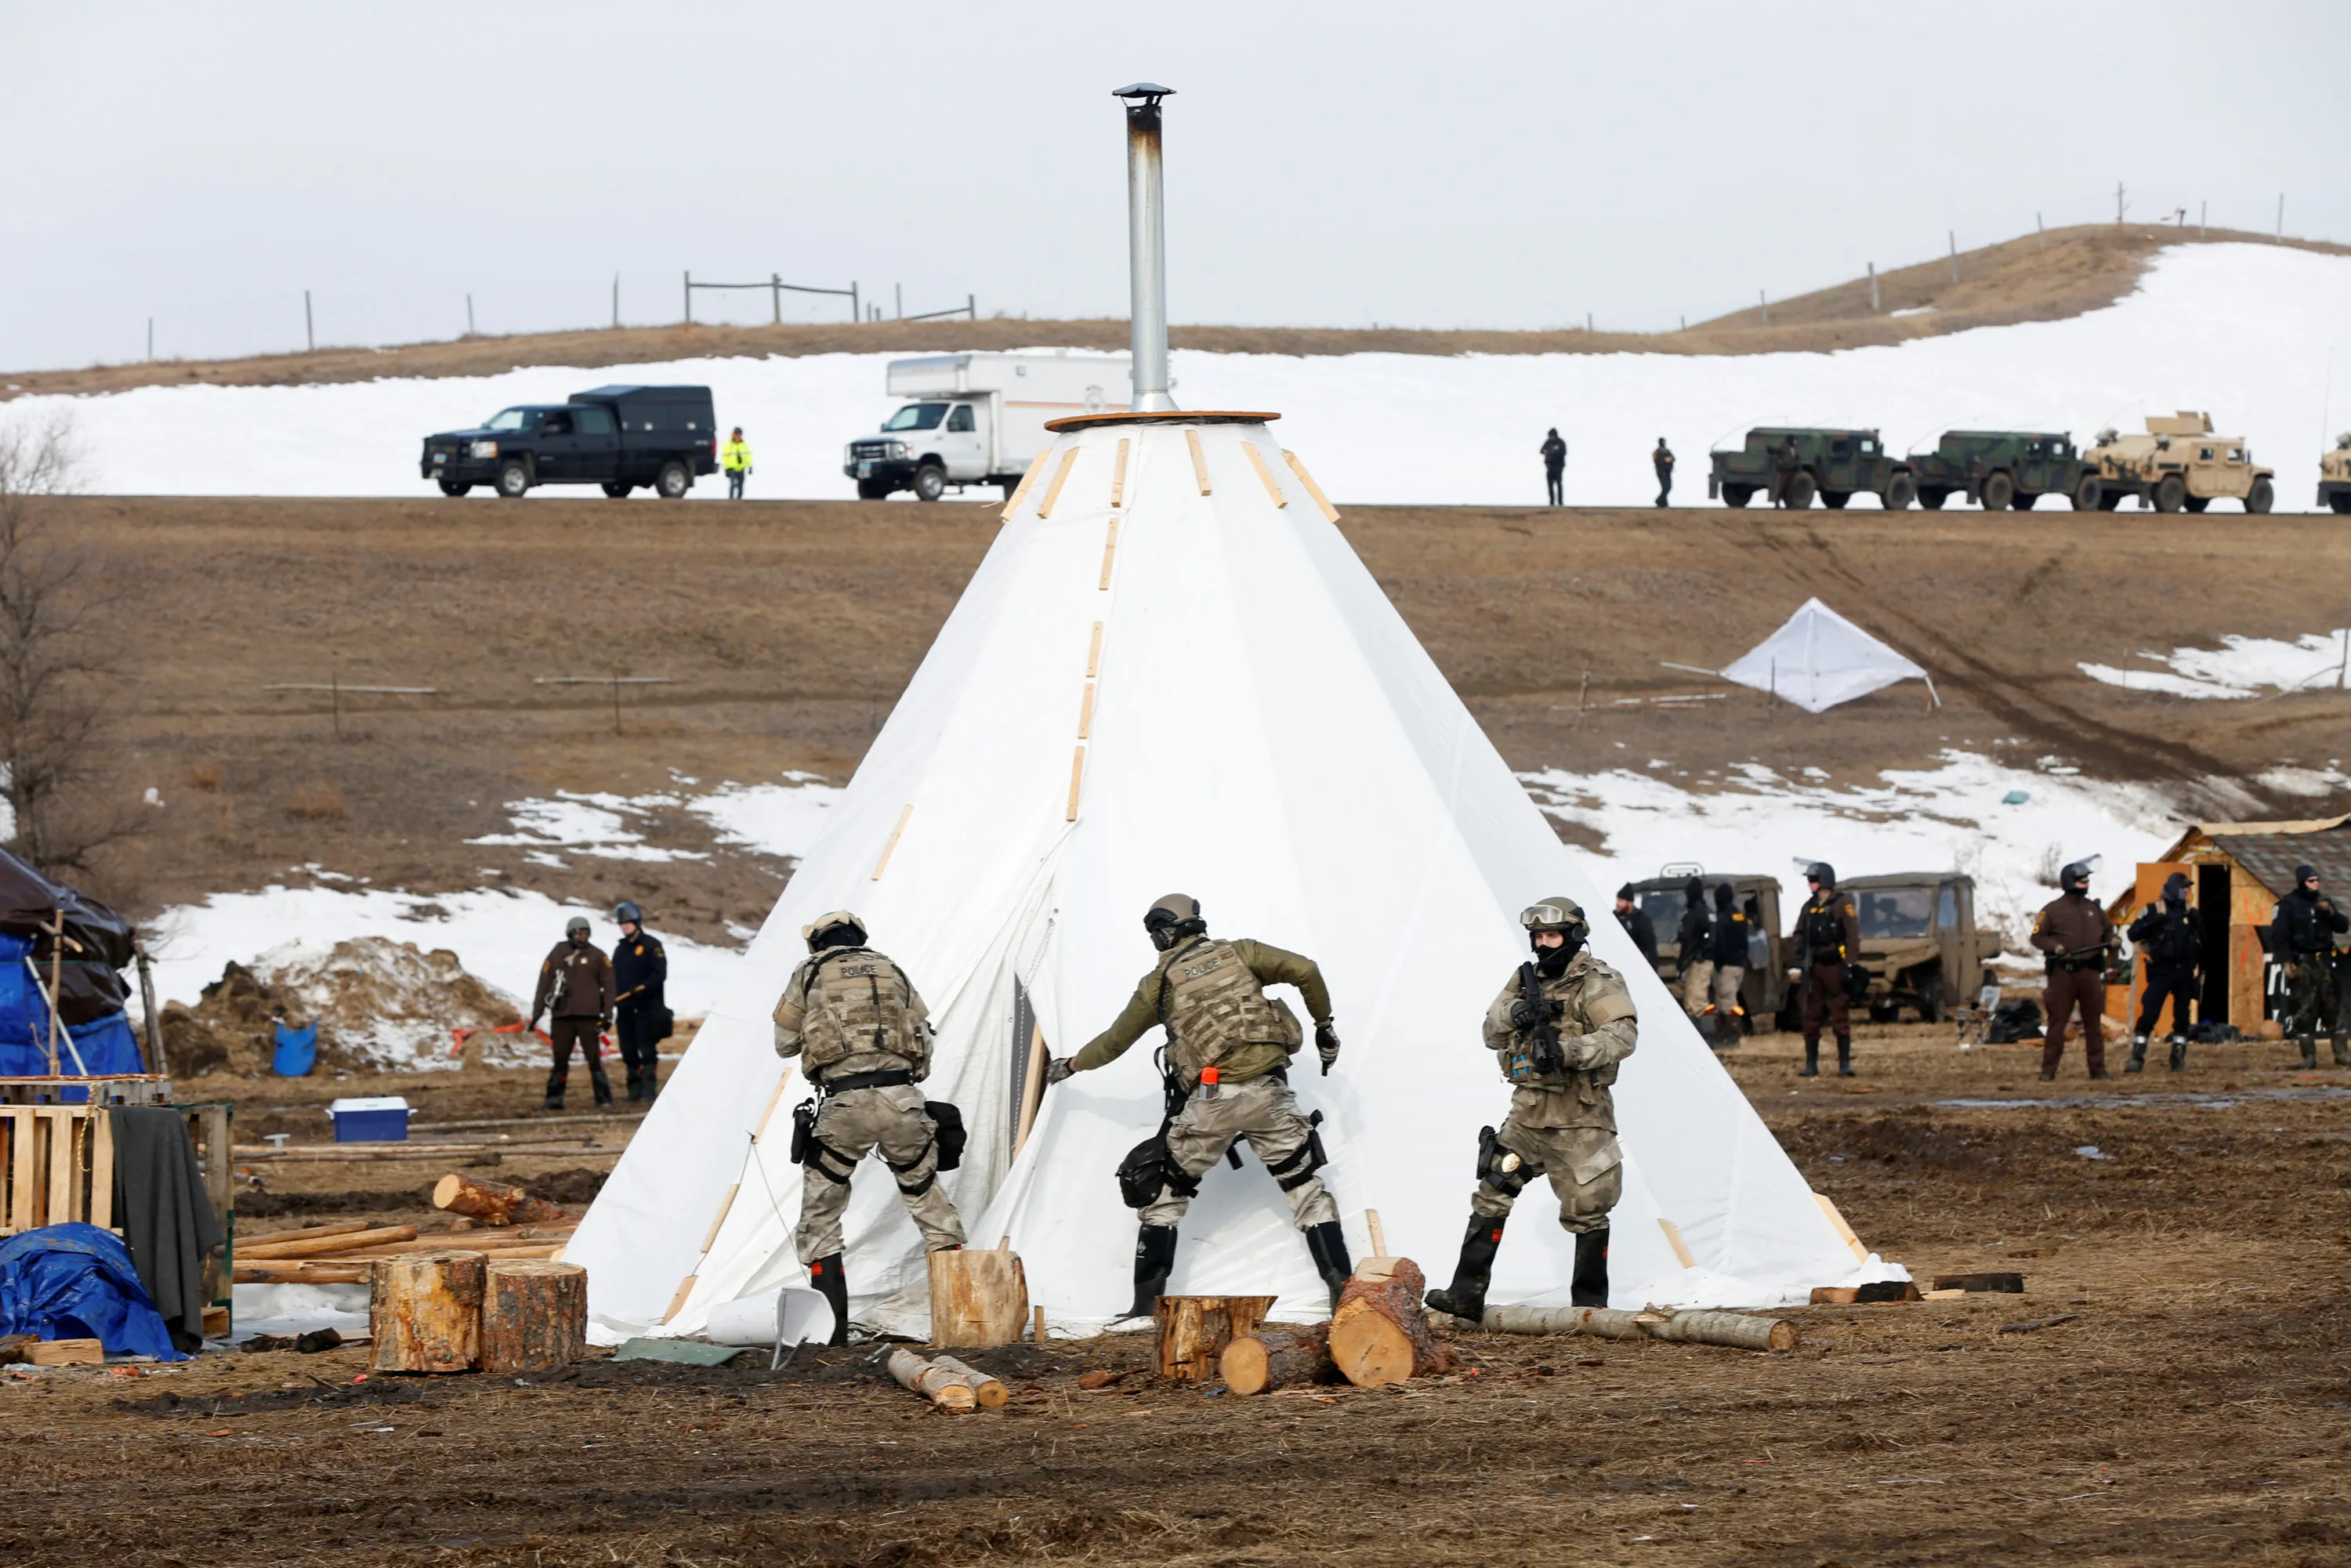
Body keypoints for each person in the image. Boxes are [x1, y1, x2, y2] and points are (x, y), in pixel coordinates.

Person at [1045, 895, 1351, 1314]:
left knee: (1166, 1196)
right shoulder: (1242, 953)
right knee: (1305, 1190)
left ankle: (1144, 1309)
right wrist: (1324, 1027)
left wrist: (1072, 1065)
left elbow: (1115, 1042)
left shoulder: (1158, 985)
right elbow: (1307, 970)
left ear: (1161, 933)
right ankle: (1344, 1296)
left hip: (1211, 1100)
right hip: (1270, 1094)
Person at [1425, 896, 1636, 1323]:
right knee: (1492, 1191)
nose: (1543, 945)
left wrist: (1567, 1051)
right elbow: (1490, 1031)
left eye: (1552, 936)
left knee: (1589, 1209)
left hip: (1580, 1117)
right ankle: (1466, 1294)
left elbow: (1622, 1037)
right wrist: (1516, 1014)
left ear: (1574, 936)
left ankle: (1591, 1308)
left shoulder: (1598, 981)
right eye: (1537, 937)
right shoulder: (1525, 980)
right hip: (1527, 1115)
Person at [773, 910, 965, 1345]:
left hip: (844, 1105)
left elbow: (784, 1044)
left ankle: (833, 1336)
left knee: (821, 1218)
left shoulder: (808, 972)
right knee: (929, 1203)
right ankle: (960, 1323)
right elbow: (924, 1035)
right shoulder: (890, 968)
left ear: (817, 942)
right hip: (903, 1100)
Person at [2031, 861, 2114, 1081]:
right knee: (2057, 1022)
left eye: (2087, 879)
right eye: (2081, 879)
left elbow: (2108, 931)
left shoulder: (2094, 909)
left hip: (2090, 972)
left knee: (2093, 1023)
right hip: (2063, 974)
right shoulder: (2051, 910)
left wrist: (2112, 941)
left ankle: (2098, 1070)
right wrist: (2056, 947)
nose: (2086, 883)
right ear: (2069, 881)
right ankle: (2048, 1071)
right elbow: (2037, 937)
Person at [528, 915, 614, 1109]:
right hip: (562, 1016)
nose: (582, 937)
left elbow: (610, 987)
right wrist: (537, 1012)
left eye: (585, 933)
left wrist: (607, 1015)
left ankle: (603, 1098)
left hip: (588, 1016)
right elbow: (544, 982)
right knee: (560, 1058)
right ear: (570, 934)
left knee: (594, 1058)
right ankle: (554, 1098)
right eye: (578, 933)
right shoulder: (558, 952)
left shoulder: (598, 956)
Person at [2269, 864, 2348, 1068]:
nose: (2315, 884)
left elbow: (2343, 926)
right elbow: (2279, 937)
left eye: (2317, 880)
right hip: (2302, 962)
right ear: (2302, 882)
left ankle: (2342, 1054)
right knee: (2303, 1009)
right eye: (2311, 881)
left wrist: (2331, 913)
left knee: (2333, 1007)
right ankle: (2308, 1057)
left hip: (2325, 961)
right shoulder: (2289, 905)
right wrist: (2287, 962)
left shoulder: (2324, 902)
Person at [2125, 873, 2199, 1072]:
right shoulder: (2154, 910)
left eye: (2188, 889)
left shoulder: (2190, 912)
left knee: (2182, 1016)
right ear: (2173, 888)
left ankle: (2178, 1057)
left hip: (2184, 972)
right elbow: (2132, 934)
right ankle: (2137, 1056)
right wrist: (2153, 922)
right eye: (2183, 888)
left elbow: (2206, 940)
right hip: (2161, 971)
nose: (2186, 892)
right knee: (2150, 1012)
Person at [1794, 863, 1860, 1077]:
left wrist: (1849, 965)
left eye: (1813, 880)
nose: (1810, 884)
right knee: (1811, 1015)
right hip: (1814, 968)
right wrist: (1800, 948)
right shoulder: (1808, 907)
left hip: (1834, 966)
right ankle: (1811, 1063)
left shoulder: (1842, 905)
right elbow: (1799, 932)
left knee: (1840, 1014)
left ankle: (1844, 1064)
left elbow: (1852, 936)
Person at [610, 901, 668, 1101]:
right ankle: (633, 1091)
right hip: (625, 1009)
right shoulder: (620, 950)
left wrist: (642, 988)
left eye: (628, 923)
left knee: (647, 1050)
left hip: (647, 1009)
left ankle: (648, 1090)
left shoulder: (652, 946)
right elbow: (613, 976)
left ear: (636, 922)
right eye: (622, 924)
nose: (625, 927)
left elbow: (659, 975)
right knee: (628, 1050)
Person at [1705, 882, 1751, 1048]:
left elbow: (1721, 943)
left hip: (1727, 964)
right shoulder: (1739, 916)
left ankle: (1731, 1038)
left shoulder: (1723, 918)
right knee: (1728, 999)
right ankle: (1726, 1037)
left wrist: (1717, 962)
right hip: (1739, 964)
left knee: (1726, 1001)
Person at [1674, 875, 1712, 1020]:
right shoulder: (1706, 911)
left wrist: (1682, 962)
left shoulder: (1695, 914)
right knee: (1694, 997)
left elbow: (1689, 939)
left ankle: (1703, 1035)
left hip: (1698, 960)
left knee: (1696, 1001)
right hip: (1701, 958)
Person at [1613, 883, 1660, 973]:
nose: (1618, 904)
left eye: (1621, 900)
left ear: (1630, 903)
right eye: (1618, 900)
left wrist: (1653, 972)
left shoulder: (1641, 920)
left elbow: (1651, 948)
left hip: (1637, 967)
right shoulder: (1614, 918)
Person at [721, 426, 752, 499]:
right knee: (733, 485)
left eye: (739, 434)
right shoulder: (728, 445)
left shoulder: (744, 445)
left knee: (740, 486)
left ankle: (739, 499)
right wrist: (726, 468)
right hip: (732, 468)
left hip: (741, 468)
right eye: (736, 434)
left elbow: (748, 456)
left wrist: (750, 466)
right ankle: (731, 499)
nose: (737, 436)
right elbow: (725, 457)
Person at [1770, 435, 1801, 508]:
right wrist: (1771, 450)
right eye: (1794, 440)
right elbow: (1776, 450)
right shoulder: (1783, 447)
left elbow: (1797, 459)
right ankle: (1777, 504)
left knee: (1790, 488)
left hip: (1792, 471)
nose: (1796, 442)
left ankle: (1789, 505)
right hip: (1784, 470)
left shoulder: (1793, 449)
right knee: (1781, 487)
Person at [1541, 429, 1567, 505]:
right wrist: (1545, 452)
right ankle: (1551, 502)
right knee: (1550, 484)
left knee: (1558, 483)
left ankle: (1560, 502)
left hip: (1558, 466)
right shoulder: (1548, 442)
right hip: (1549, 465)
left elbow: (1563, 452)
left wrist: (1554, 452)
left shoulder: (1560, 443)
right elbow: (1541, 450)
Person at [1653, 439, 1675, 508]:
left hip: (1667, 471)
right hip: (1661, 471)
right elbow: (1658, 460)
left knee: (1668, 487)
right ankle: (1660, 501)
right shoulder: (1657, 452)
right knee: (1666, 487)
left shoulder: (1667, 450)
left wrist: (1668, 460)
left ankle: (1663, 502)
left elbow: (1673, 458)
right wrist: (1667, 460)